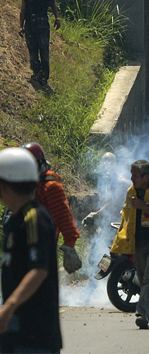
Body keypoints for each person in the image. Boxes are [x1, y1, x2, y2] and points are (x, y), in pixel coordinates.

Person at [0, 147, 61, 353]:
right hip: (14, 332)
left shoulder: (34, 218)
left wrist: (9, 306)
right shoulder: (13, 220)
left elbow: (39, 269)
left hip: (34, 336)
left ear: (5, 186)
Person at [111, 160, 149, 329]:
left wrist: (143, 207)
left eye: (135, 176)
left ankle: (142, 314)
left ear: (146, 177)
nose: (131, 179)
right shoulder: (132, 192)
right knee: (146, 281)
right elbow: (127, 219)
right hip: (138, 242)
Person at [21, 144, 82, 275]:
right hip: (23, 244)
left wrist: (70, 245)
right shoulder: (25, 184)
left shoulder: (50, 185)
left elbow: (63, 217)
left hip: (42, 246)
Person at [17, 0, 60, 87]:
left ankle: (44, 77)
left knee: (44, 52)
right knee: (33, 52)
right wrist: (21, 26)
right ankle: (37, 73)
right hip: (30, 26)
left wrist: (57, 18)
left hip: (43, 27)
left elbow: (53, 4)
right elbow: (23, 10)